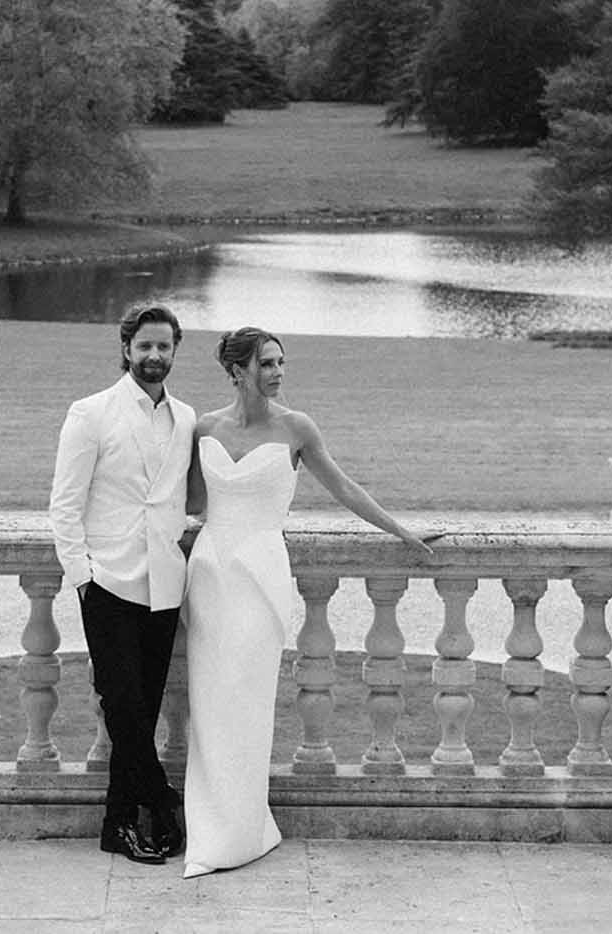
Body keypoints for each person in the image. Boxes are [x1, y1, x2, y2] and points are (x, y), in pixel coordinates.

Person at [181, 326, 436, 878]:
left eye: (280, 363)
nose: (277, 372)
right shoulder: (203, 427)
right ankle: (209, 829)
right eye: (267, 364)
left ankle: (243, 830)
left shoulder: (297, 428)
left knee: (247, 702)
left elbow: (345, 489)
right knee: (210, 704)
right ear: (237, 372)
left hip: (260, 576)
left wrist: (403, 533)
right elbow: (192, 502)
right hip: (209, 575)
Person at [48, 303, 197, 865]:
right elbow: (64, 506)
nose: (154, 356)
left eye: (164, 347)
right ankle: (161, 802)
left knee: (142, 709)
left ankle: (118, 824)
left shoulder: (185, 418)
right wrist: (82, 578)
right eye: (145, 346)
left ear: (174, 352)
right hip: (107, 581)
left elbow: (186, 498)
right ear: (126, 349)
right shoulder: (90, 413)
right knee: (123, 706)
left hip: (165, 584)